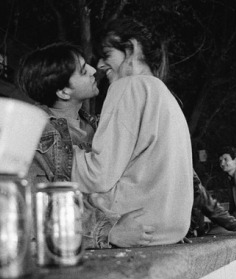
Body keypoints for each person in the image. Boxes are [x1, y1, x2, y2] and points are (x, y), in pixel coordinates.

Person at [18, 42, 154, 248]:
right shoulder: (35, 134)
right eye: (83, 71)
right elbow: (38, 212)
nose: (93, 70)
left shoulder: (100, 127)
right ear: (63, 92)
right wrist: (108, 233)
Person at [71, 18, 194, 246]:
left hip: (129, 226)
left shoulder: (129, 86)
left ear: (132, 48)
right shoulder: (166, 96)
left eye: (106, 55)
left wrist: (62, 154)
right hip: (168, 231)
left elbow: (99, 175)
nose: (99, 65)